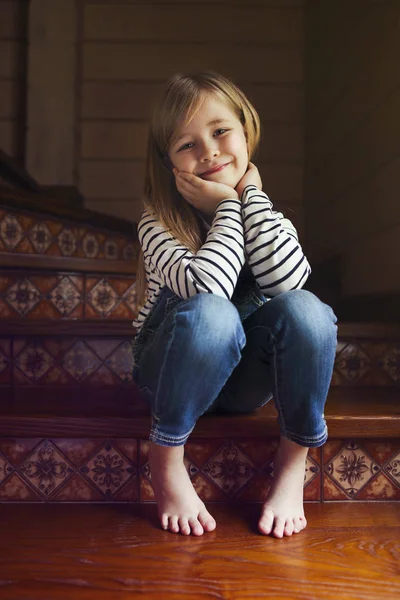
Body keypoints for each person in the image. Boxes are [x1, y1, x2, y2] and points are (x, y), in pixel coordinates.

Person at [132, 71, 337, 539]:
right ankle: (166, 459)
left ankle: (291, 466)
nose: (209, 151)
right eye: (187, 144)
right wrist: (227, 205)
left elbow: (286, 283)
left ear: (246, 131)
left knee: (308, 310)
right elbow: (210, 288)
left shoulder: (267, 215)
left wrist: (251, 200)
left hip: (243, 382)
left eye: (221, 131)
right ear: (169, 164)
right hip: (170, 375)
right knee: (213, 313)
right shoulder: (157, 222)